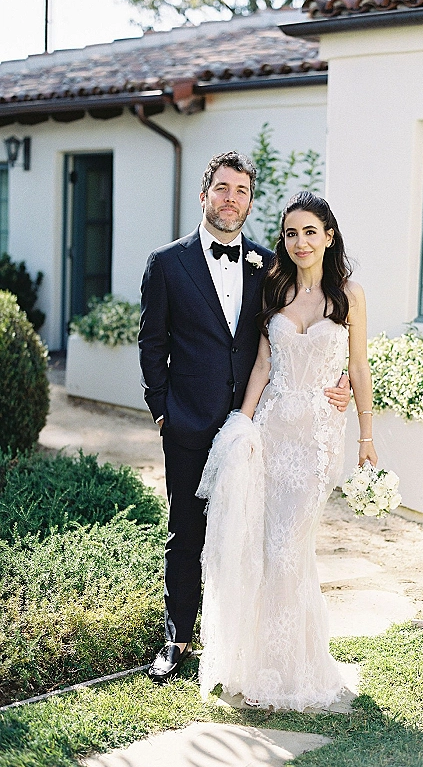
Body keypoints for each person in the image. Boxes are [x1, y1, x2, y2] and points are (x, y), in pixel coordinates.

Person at [139, 153, 351, 683]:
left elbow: (295, 337)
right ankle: (177, 637)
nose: (231, 198)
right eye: (222, 188)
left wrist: (340, 382)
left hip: (257, 427)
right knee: (186, 532)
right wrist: (163, 412)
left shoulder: (268, 268)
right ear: (205, 193)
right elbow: (152, 343)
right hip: (187, 423)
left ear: (250, 202)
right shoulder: (166, 263)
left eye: (241, 191)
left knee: (250, 533)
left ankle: (236, 638)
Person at [197, 191, 377, 711]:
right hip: (272, 430)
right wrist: (241, 430)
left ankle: (295, 671)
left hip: (317, 438)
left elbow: (359, 369)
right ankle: (262, 666)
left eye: (309, 232)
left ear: (329, 236)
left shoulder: (350, 296)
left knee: (288, 549)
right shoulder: (273, 292)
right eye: (291, 233)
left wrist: (366, 434)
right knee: (262, 547)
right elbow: (260, 366)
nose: (300, 242)